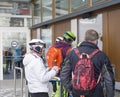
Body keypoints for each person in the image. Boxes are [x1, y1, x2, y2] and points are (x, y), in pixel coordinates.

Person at [60, 29, 115, 97]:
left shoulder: (72, 53)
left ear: (84, 39)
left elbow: (63, 75)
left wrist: (71, 89)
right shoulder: (101, 56)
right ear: (96, 40)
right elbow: (109, 79)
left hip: (77, 93)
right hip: (96, 93)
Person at [46, 31, 76, 97]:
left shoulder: (54, 46)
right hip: (63, 74)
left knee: (56, 91)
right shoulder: (67, 49)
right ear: (70, 40)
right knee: (62, 93)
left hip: (53, 73)